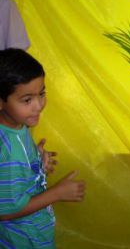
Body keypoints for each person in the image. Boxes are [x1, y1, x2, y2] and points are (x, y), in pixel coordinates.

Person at [0, 48, 86, 248]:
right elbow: (6, 211)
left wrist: (36, 160)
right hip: (24, 239)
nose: (38, 105)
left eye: (42, 94)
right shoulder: (10, 150)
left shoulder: (17, 125)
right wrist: (57, 193)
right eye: (27, 100)